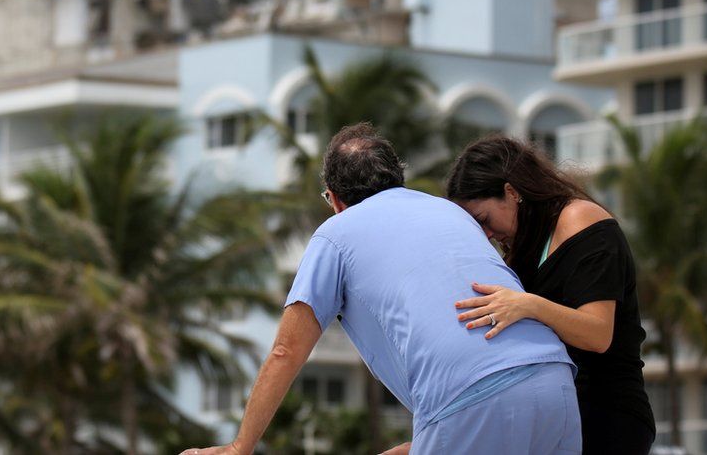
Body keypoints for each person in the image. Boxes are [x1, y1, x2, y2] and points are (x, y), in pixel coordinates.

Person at [181, 123, 580, 455]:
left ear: (334, 199)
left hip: (469, 401)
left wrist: (239, 447)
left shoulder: (335, 235)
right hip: (555, 384)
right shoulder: (449, 212)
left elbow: (287, 350)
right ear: (397, 179)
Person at [445, 135, 655, 455]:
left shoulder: (580, 219)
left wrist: (528, 304)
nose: (486, 235)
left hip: (607, 415)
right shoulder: (523, 248)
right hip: (555, 418)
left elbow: (598, 334)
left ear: (511, 192)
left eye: (484, 220)